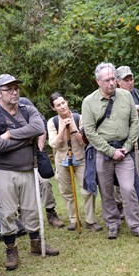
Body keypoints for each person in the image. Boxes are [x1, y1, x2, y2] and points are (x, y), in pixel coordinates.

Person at [0, 74, 59, 271]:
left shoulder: (27, 109)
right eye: (9, 89)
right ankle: (11, 248)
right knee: (6, 212)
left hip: (28, 169)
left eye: (16, 88)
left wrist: (10, 134)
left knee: (32, 209)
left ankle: (36, 244)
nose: (15, 92)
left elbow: (38, 127)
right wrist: (26, 138)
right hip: (4, 172)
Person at [0, 79, 65, 228]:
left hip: (33, 156)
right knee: (9, 197)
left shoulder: (24, 104)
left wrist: (36, 139)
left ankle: (51, 212)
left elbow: (39, 125)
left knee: (45, 182)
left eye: (14, 89)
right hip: (5, 162)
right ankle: (19, 222)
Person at [81, 62, 139, 240]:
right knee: (106, 190)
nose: (111, 83)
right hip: (102, 152)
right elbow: (90, 132)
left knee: (128, 188)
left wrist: (126, 147)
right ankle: (112, 223)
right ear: (98, 81)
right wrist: (110, 152)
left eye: (113, 78)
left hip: (124, 150)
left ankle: (136, 224)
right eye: (107, 80)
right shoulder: (89, 102)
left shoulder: (126, 96)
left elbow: (135, 122)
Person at [47, 92, 101, 231]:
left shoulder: (80, 118)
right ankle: (73, 219)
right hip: (62, 160)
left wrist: (73, 128)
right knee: (66, 191)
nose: (62, 106)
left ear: (66, 101)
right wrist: (62, 130)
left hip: (80, 158)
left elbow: (84, 141)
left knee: (87, 190)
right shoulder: (52, 122)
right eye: (58, 105)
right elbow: (54, 144)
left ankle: (90, 220)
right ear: (54, 108)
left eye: (63, 103)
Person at [115, 65, 139, 215]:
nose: (130, 82)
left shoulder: (138, 94)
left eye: (131, 79)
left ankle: (136, 203)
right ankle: (120, 206)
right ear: (117, 81)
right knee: (119, 179)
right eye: (126, 80)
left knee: (137, 175)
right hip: (120, 146)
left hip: (138, 144)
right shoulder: (113, 96)